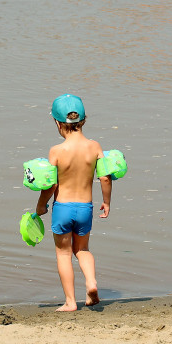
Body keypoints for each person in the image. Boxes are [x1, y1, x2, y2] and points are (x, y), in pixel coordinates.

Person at [35, 94, 113, 312]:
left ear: (57, 123)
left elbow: (49, 184)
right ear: (84, 120)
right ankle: (91, 283)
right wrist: (106, 202)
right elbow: (105, 178)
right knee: (83, 250)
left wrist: (41, 206)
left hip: (62, 208)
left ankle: (70, 301)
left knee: (63, 254)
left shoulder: (57, 151)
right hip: (85, 208)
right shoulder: (95, 146)